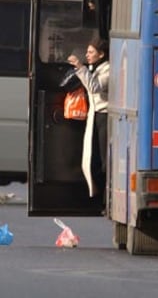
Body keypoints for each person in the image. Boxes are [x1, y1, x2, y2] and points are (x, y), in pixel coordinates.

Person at [67, 38, 109, 209]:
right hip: (95, 115)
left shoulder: (109, 69)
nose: (87, 55)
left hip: (104, 117)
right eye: (87, 52)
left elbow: (94, 87)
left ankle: (105, 198)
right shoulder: (96, 68)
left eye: (91, 52)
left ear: (101, 54)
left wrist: (80, 67)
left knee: (103, 160)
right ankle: (99, 196)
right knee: (94, 159)